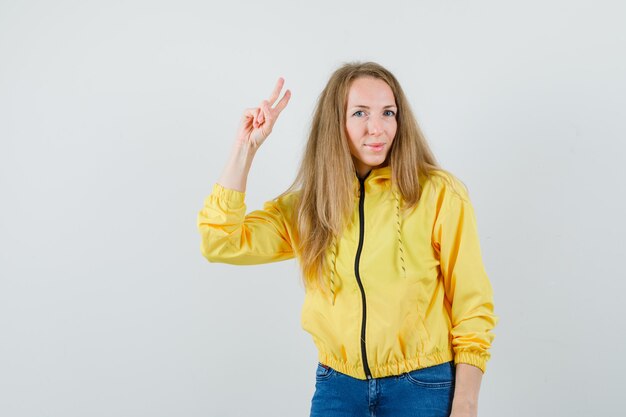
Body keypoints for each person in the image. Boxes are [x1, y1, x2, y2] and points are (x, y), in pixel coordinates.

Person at [197, 61, 498, 417]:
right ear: (335, 124)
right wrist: (244, 148)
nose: (378, 128)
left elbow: (472, 307)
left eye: (388, 113)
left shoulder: (437, 194)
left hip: (422, 387)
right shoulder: (310, 207)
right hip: (337, 387)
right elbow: (221, 241)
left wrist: (466, 403)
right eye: (359, 113)